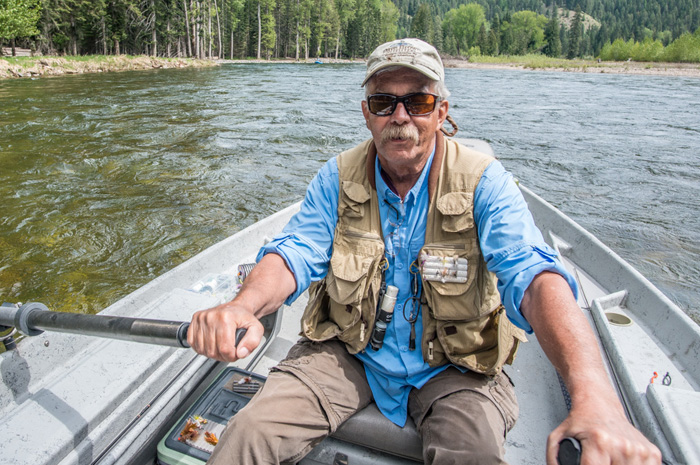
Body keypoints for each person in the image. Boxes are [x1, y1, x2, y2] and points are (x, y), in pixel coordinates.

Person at [188, 38, 661, 465]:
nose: (400, 116)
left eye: (417, 101)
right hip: (346, 353)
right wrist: (242, 306)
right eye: (384, 101)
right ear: (366, 111)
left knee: (473, 454)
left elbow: (536, 279)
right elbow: (294, 253)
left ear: (441, 110)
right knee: (248, 433)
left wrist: (595, 398)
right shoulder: (335, 177)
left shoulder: (485, 183)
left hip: (455, 369)